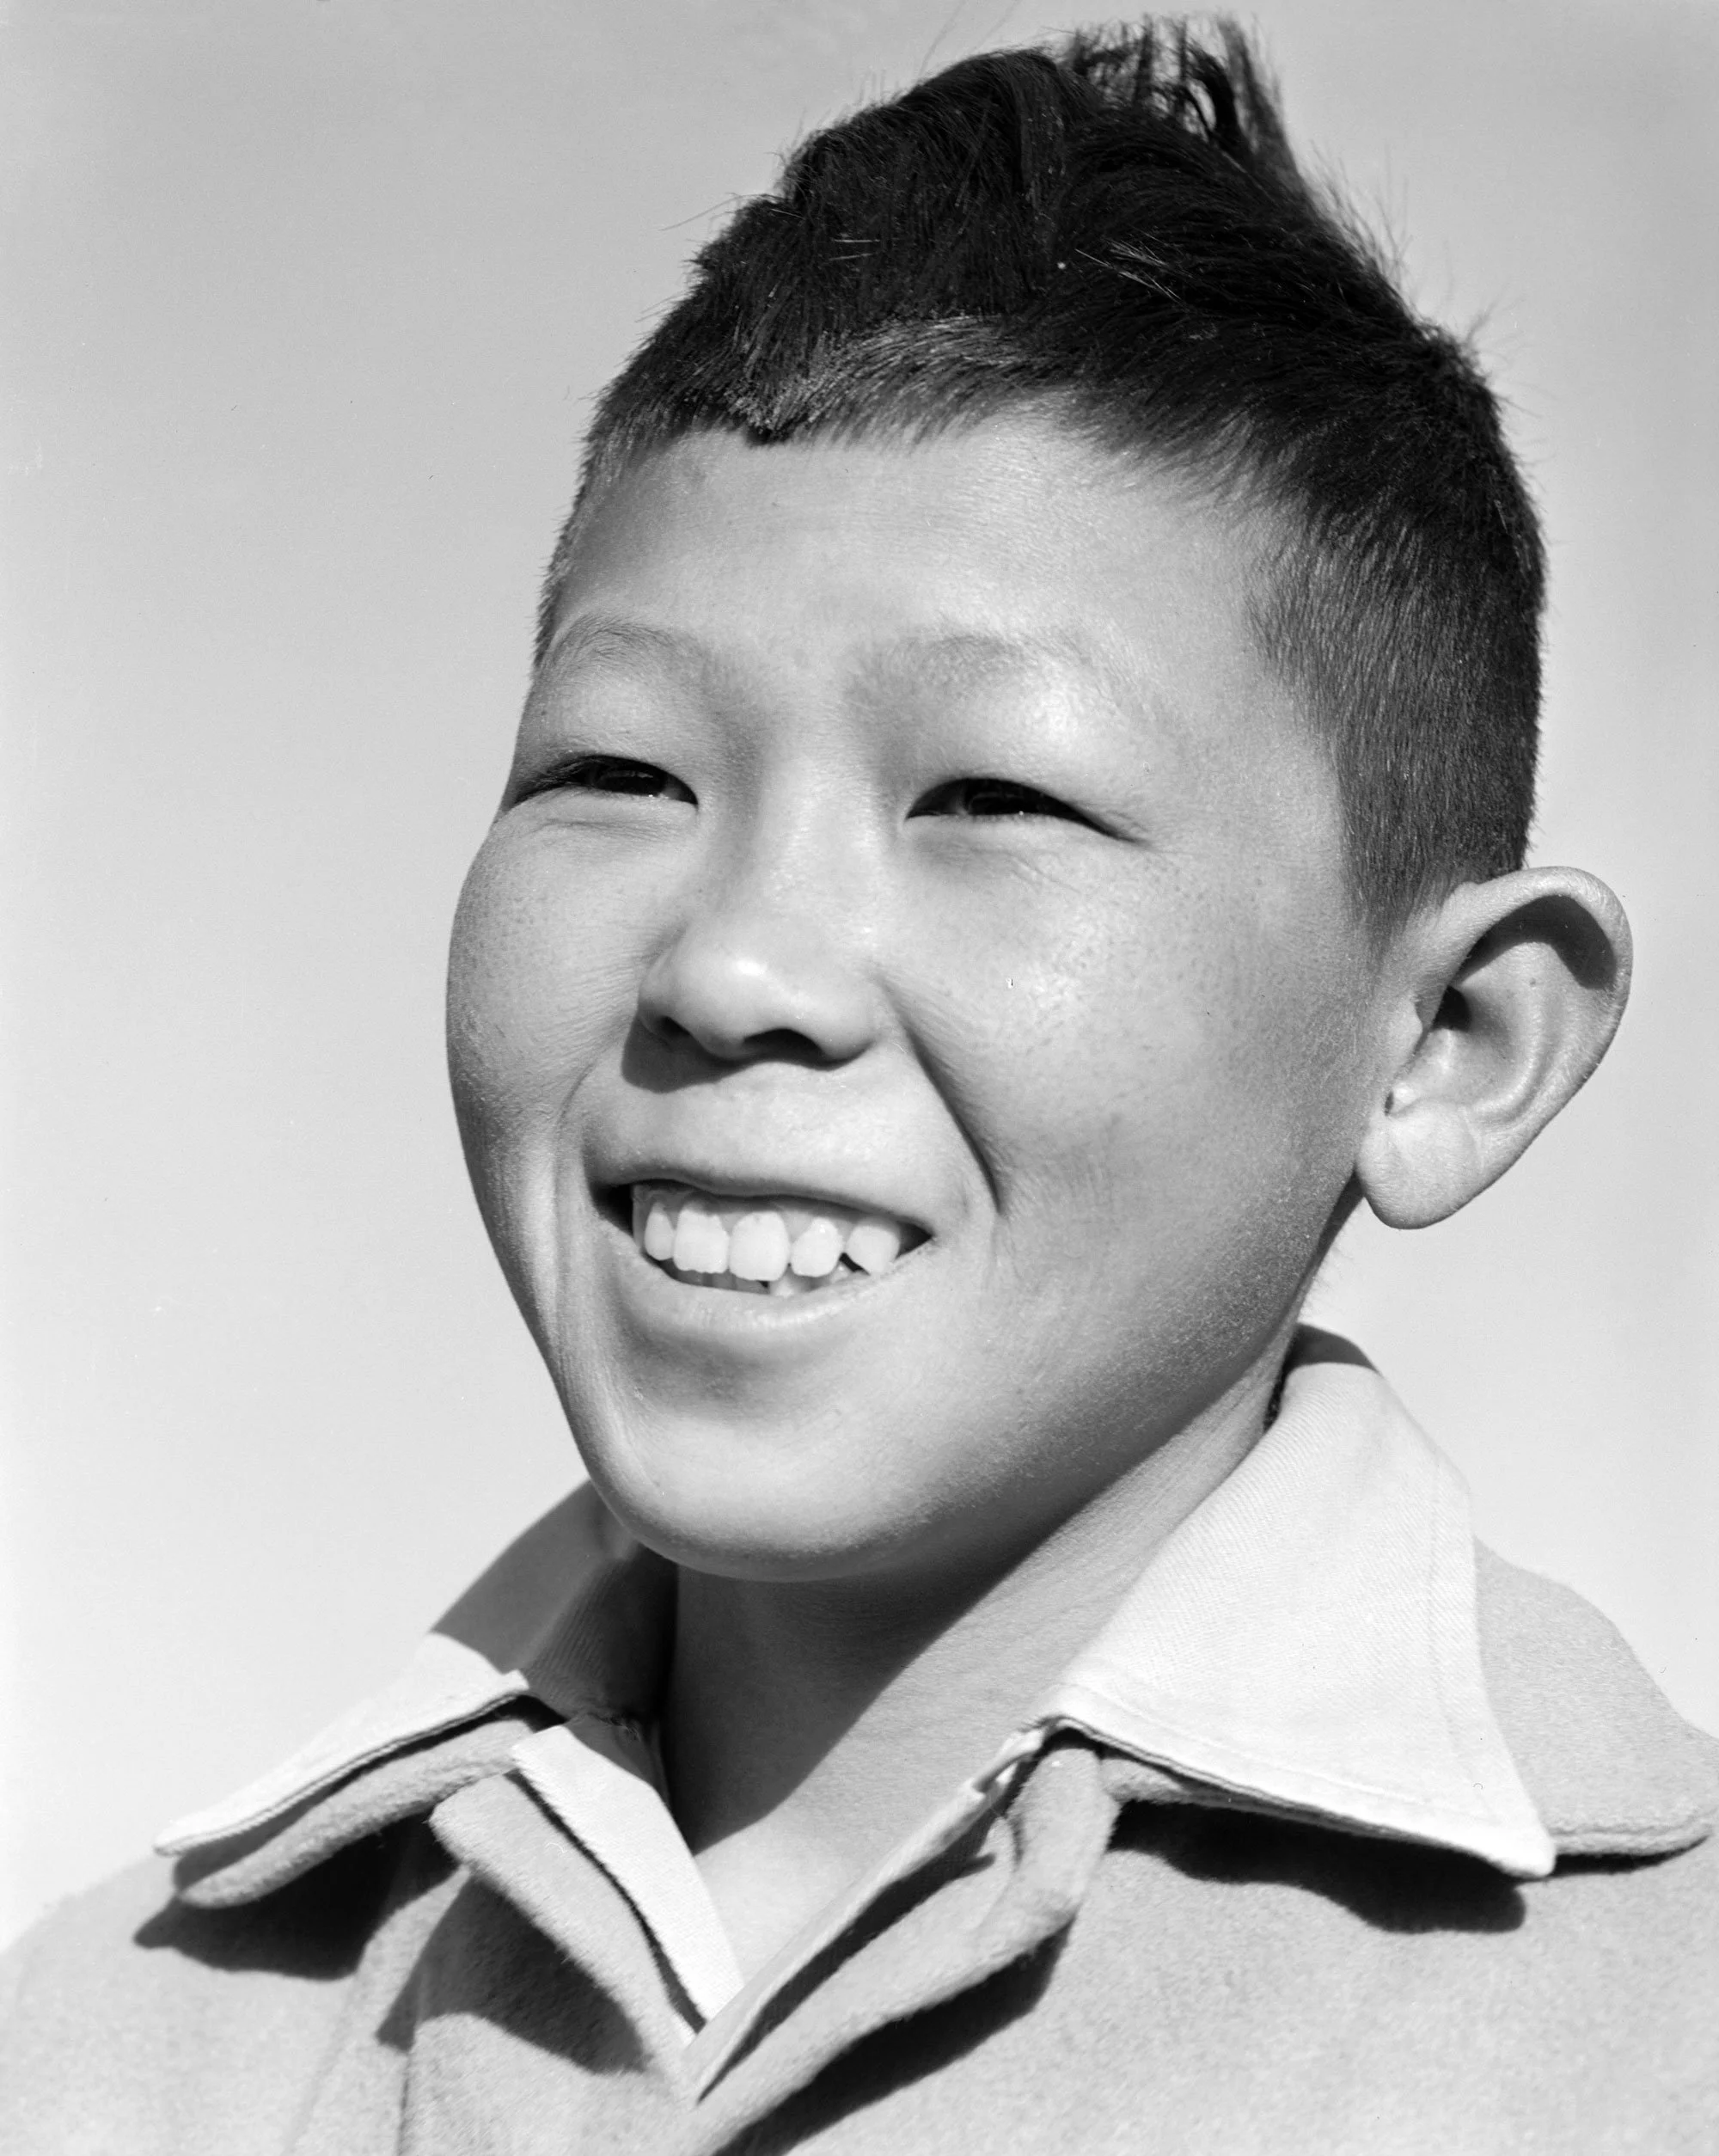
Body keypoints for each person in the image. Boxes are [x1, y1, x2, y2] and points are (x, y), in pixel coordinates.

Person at [3, 17, 1714, 2152]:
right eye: (619, 772)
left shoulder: (1645, 2043)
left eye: (991, 796)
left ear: (1452, 1043)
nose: (731, 965)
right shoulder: (113, 2050)